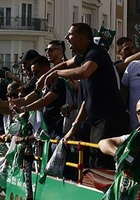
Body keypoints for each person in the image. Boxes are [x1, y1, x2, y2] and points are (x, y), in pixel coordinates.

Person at [41, 23, 124, 165]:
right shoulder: (83, 56)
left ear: (83, 38)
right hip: (94, 121)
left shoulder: (96, 54)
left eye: (70, 34)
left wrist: (56, 74)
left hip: (108, 119)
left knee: (99, 161)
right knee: (87, 161)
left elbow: (83, 71)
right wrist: (45, 77)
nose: (66, 37)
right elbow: (67, 65)